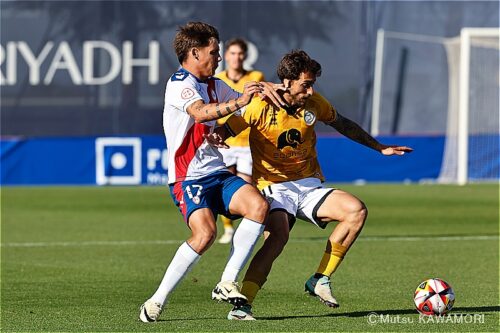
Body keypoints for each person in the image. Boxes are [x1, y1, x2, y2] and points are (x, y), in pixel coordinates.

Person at [219, 50, 413, 320]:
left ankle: (320, 279)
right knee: (277, 239)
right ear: (286, 81)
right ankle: (242, 307)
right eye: (306, 84)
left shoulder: (314, 103)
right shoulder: (259, 106)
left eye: (312, 85)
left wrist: (379, 148)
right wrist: (217, 138)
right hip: (275, 187)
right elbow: (224, 130)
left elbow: (343, 123)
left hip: (309, 185)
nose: (311, 91)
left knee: (355, 211)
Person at [138, 22, 284, 323]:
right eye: (214, 51)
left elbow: (249, 104)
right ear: (195, 52)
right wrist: (241, 99)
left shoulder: (215, 83)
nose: (217, 57)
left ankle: (227, 281)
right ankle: (156, 300)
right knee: (205, 233)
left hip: (216, 171)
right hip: (187, 177)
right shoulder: (180, 83)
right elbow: (201, 112)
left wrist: (277, 88)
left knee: (258, 206)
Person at [215, 38, 265, 244]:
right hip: (225, 141)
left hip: (246, 143)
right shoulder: (218, 79)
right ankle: (228, 229)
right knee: (223, 185)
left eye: (240, 53)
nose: (236, 57)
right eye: (232, 53)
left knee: (246, 187)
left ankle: (249, 227)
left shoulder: (255, 76)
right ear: (226, 56)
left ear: (245, 56)